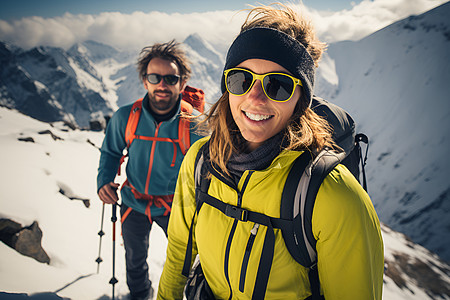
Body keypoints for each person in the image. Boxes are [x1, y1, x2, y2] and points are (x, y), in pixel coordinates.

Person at [157, 4, 384, 300]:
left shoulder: (334, 196)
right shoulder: (201, 162)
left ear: (301, 98)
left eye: (278, 85)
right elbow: (179, 252)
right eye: (241, 79)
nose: (255, 97)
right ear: (227, 86)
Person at [97, 40, 204, 300]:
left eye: (170, 78)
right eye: (155, 77)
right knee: (134, 260)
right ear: (145, 81)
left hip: (177, 208)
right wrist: (104, 182)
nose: (162, 84)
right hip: (134, 201)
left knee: (185, 265)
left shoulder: (193, 125)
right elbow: (111, 151)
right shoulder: (126, 117)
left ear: (182, 82)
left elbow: (207, 169)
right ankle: (141, 295)